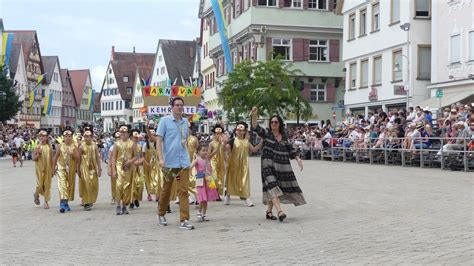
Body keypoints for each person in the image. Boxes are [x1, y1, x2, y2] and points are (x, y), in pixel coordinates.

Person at [250, 107, 306, 222]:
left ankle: (269, 212)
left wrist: (298, 159)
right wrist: (254, 115)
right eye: (272, 122)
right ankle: (280, 211)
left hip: (281, 166)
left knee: (275, 188)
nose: (273, 124)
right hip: (267, 165)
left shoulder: (284, 139)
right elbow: (255, 127)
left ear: (279, 124)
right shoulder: (267, 134)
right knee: (272, 185)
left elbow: (291, 151)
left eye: (276, 122)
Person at [155, 97, 194, 230]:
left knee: (183, 190)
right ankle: (161, 213)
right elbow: (158, 141)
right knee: (166, 189)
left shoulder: (185, 122)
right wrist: (160, 158)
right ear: (172, 107)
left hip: (183, 160)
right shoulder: (164, 121)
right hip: (169, 161)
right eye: (177, 105)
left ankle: (184, 219)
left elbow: (185, 138)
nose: (179, 107)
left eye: (181, 105)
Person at [224, 121, 262, 207]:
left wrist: (261, 142)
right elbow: (226, 152)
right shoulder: (232, 141)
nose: (239, 132)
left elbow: (254, 150)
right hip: (233, 165)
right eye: (237, 130)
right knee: (231, 180)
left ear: (245, 131)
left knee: (244, 181)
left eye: (241, 130)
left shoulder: (246, 142)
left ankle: (246, 198)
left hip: (244, 165)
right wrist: (227, 162)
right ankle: (228, 195)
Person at [111, 125, 137, 215]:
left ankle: (124, 205)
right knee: (119, 185)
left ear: (128, 133)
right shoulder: (116, 143)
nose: (122, 134)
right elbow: (114, 157)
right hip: (119, 166)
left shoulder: (132, 143)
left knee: (127, 186)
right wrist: (113, 170)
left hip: (128, 168)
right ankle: (118, 205)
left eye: (124, 132)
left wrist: (130, 161)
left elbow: (135, 156)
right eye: (121, 132)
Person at [52, 126, 78, 213]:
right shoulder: (60, 146)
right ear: (63, 137)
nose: (67, 138)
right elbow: (55, 157)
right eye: (66, 136)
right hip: (61, 168)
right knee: (62, 185)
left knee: (69, 186)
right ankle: (62, 204)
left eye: (69, 136)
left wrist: (73, 154)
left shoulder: (75, 146)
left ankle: (66, 203)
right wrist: (53, 169)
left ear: (72, 137)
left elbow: (78, 157)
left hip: (71, 169)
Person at [192, 143, 220, 222]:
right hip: (200, 181)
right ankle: (199, 213)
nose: (205, 152)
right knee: (202, 199)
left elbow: (215, 151)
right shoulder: (197, 160)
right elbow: (190, 166)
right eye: (203, 150)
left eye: (206, 150)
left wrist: (220, 143)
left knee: (206, 199)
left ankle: (204, 214)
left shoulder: (208, 159)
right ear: (198, 152)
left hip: (208, 180)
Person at [77, 126, 101, 211]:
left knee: (94, 185)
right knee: (86, 185)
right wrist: (78, 170)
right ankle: (86, 202)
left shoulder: (95, 146)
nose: (87, 138)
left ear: (91, 137)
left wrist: (99, 168)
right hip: (84, 168)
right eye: (85, 136)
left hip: (93, 168)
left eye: (89, 136)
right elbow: (78, 158)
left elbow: (98, 158)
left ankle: (90, 199)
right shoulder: (81, 147)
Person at [32, 128, 54, 209]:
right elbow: (33, 158)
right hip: (39, 169)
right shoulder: (37, 147)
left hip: (48, 168)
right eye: (40, 136)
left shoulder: (49, 147)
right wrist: (38, 154)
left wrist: (53, 169)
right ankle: (36, 194)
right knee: (40, 184)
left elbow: (52, 159)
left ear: (47, 137)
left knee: (47, 185)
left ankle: (46, 201)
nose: (42, 138)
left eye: (43, 136)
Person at [209, 124, 226, 198]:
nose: (218, 135)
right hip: (213, 162)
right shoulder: (211, 143)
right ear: (214, 134)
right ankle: (214, 193)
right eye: (217, 134)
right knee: (215, 177)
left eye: (220, 134)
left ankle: (218, 194)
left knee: (221, 178)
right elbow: (209, 155)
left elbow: (224, 152)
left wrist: (227, 162)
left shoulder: (223, 143)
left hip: (221, 162)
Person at [130, 129, 144, 209]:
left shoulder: (140, 146)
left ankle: (137, 197)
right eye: (134, 137)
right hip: (132, 168)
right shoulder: (129, 146)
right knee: (132, 184)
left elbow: (142, 157)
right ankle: (132, 200)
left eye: (137, 137)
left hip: (140, 169)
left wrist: (140, 161)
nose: (136, 139)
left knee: (141, 184)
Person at [107, 131, 120, 204]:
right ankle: (114, 197)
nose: (118, 139)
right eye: (116, 138)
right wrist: (109, 169)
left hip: (122, 167)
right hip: (114, 167)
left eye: (119, 137)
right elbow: (110, 159)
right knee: (113, 183)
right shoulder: (112, 147)